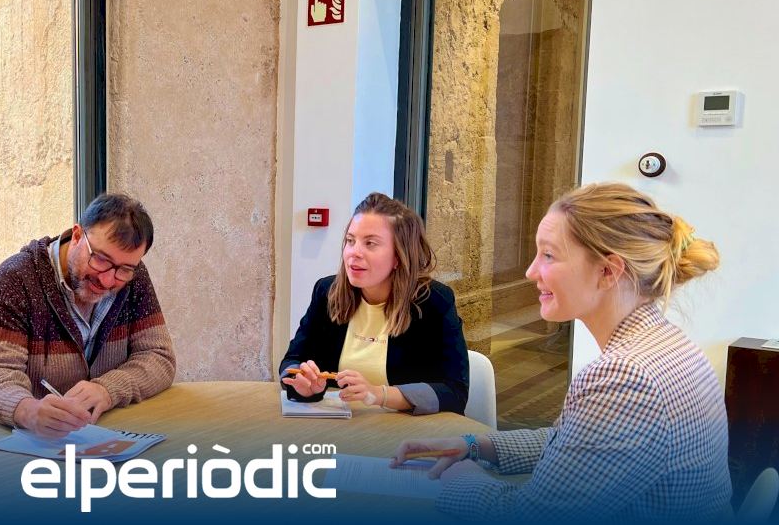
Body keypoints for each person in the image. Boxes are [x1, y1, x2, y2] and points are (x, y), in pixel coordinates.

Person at [393, 182, 731, 521]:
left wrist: (459, 479)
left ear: (608, 271)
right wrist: (475, 446)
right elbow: (572, 442)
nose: (530, 272)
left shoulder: (626, 377)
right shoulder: (667, 344)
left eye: (549, 255)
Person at [0, 193, 175, 438]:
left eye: (125, 269)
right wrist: (28, 410)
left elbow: (159, 357)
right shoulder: (15, 279)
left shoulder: (131, 279)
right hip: (4, 437)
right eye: (100, 260)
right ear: (76, 236)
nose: (108, 280)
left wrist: (107, 390)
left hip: (91, 434)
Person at [280, 193, 469, 415]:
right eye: (350, 241)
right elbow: (292, 361)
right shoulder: (327, 292)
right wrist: (302, 382)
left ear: (399, 255)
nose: (354, 253)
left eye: (370, 243)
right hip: (342, 427)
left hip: (408, 430)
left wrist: (379, 394)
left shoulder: (434, 302)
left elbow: (454, 392)